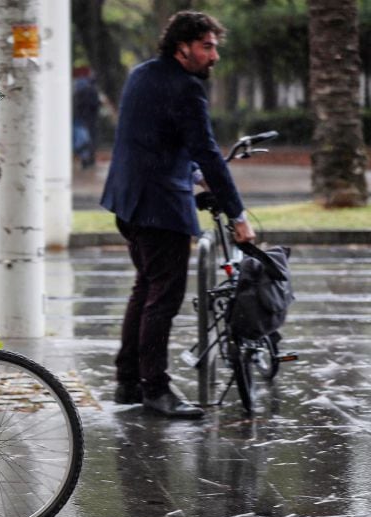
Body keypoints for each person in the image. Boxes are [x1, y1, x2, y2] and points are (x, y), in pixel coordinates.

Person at [100, 10, 255, 419]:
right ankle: (156, 388)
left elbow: (152, 139)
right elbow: (205, 149)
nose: (214, 55)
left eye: (215, 46)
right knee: (162, 300)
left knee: (144, 289)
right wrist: (238, 215)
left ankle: (128, 380)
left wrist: (193, 173)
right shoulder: (186, 88)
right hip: (159, 208)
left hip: (127, 201)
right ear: (182, 47)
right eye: (207, 46)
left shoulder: (141, 74)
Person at [72, 67, 101, 169]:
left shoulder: (79, 91)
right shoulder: (92, 90)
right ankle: (88, 160)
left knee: (83, 140)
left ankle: (86, 160)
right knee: (87, 140)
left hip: (81, 119)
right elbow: (96, 105)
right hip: (88, 120)